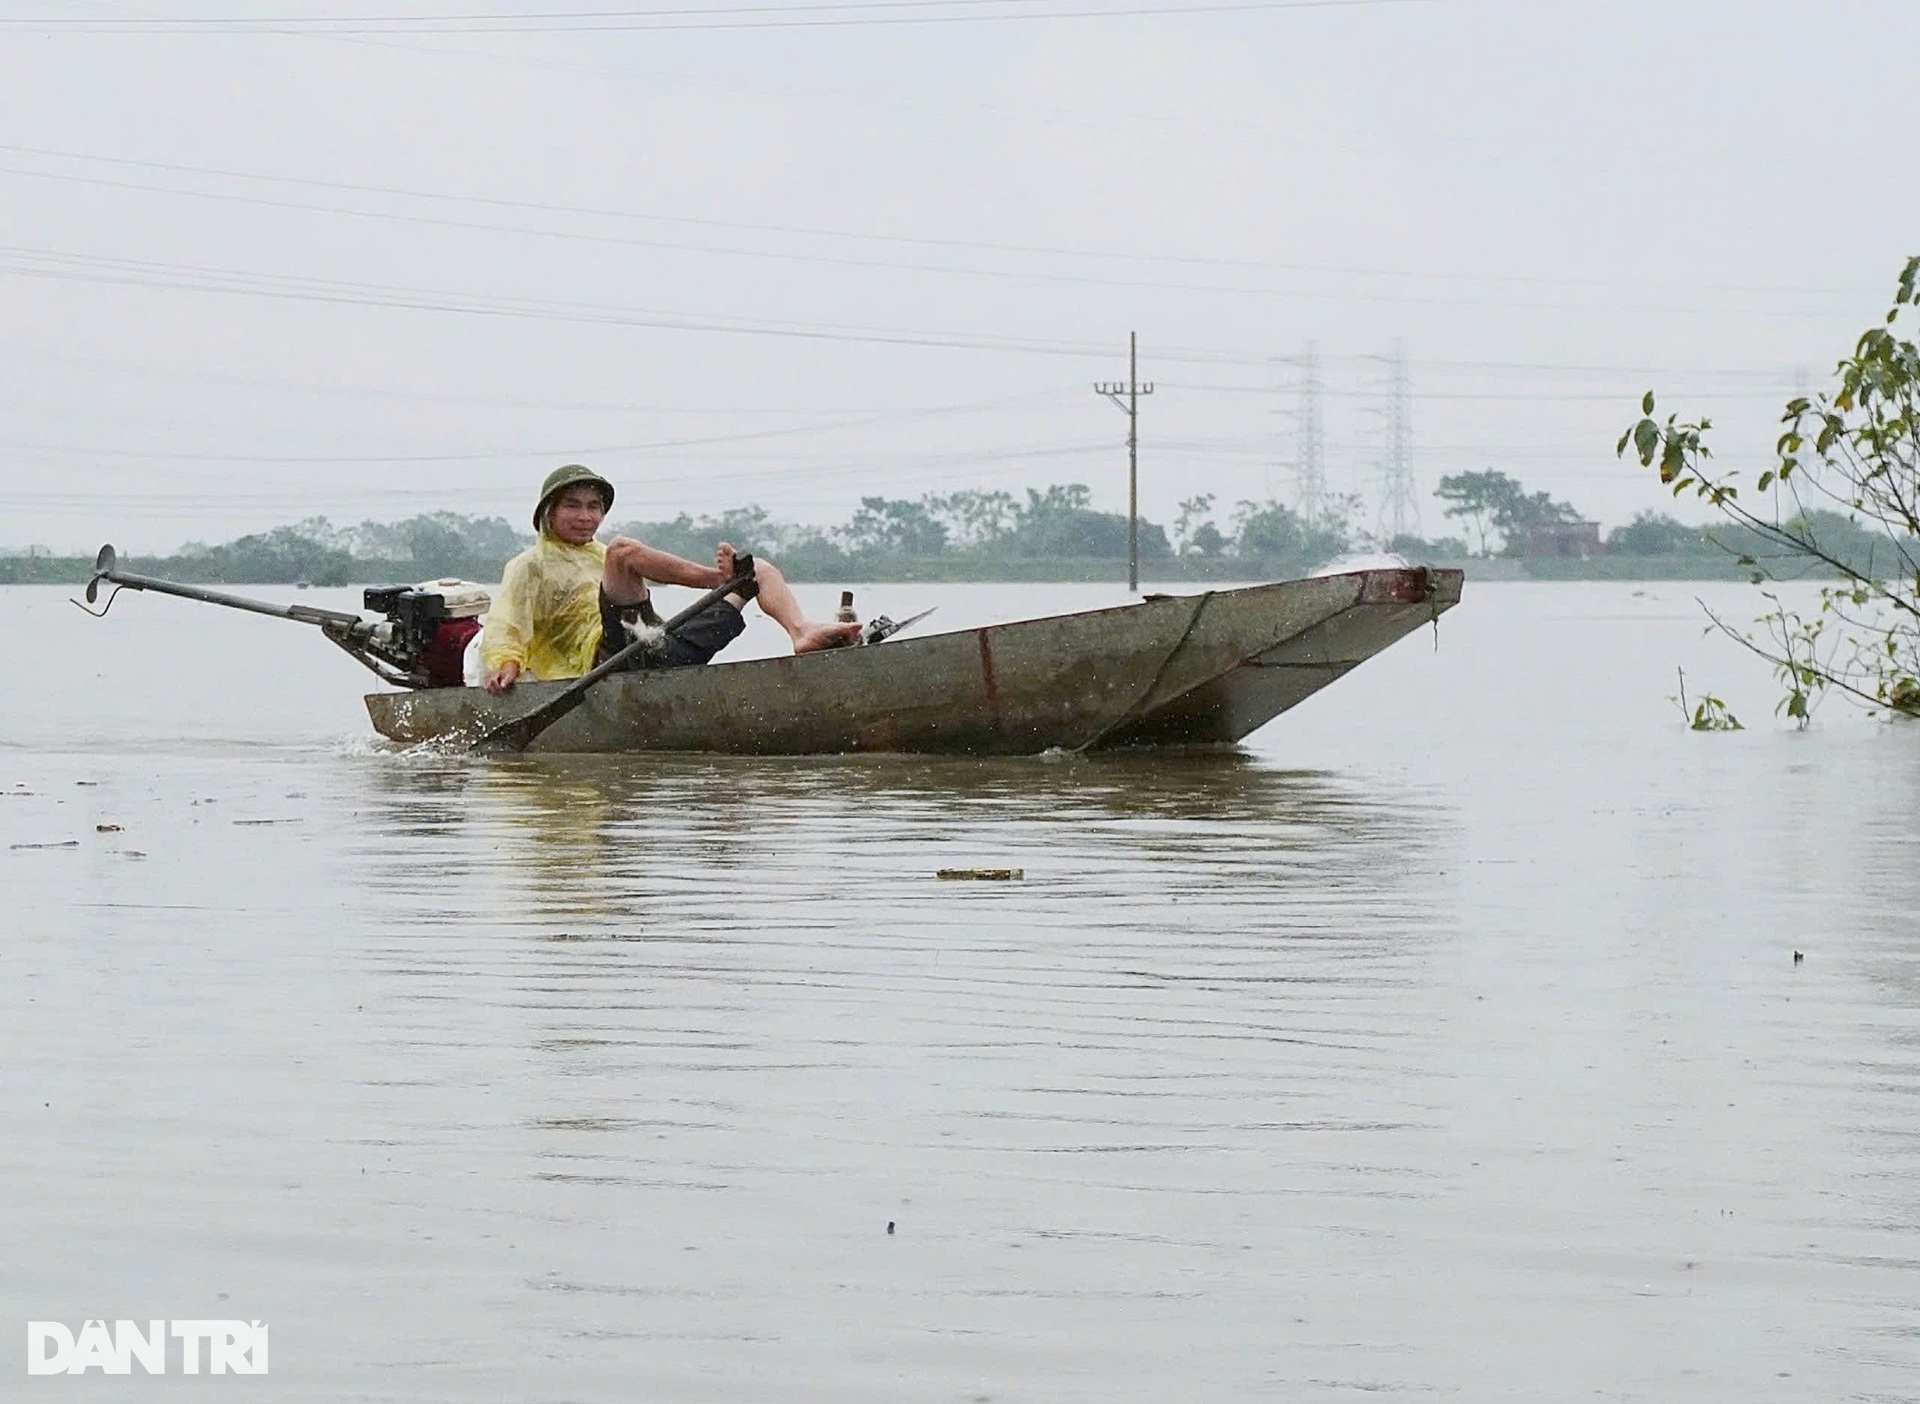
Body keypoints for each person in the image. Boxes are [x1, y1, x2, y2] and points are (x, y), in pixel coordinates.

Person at [478, 464, 860, 694]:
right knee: (624, 551)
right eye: (573, 506)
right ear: (548, 512)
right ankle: (718, 580)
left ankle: (801, 631)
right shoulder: (528, 565)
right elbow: (506, 625)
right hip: (604, 665)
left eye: (593, 507)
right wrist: (505, 664)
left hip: (657, 649)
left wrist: (734, 581)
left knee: (754, 569)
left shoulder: (599, 555)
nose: (586, 517)